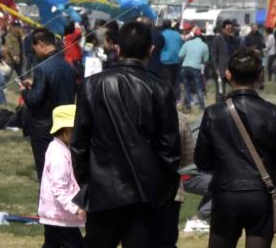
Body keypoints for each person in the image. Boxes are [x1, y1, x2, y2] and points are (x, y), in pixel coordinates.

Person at [71, 19, 181, 248]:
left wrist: (87, 180)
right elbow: (169, 149)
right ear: (151, 50)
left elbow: (79, 143)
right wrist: (164, 189)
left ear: (118, 48)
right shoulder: (160, 88)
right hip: (145, 191)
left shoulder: (92, 85)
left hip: (104, 189)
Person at [194, 50, 276, 248]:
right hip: (262, 193)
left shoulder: (213, 113)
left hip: (225, 193)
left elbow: (202, 160)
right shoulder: (274, 113)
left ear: (228, 75)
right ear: (260, 75)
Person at [24, 28, 80, 176]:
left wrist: (24, 91)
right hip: (65, 125)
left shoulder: (42, 68)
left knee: (45, 171)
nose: (34, 51)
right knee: (64, 168)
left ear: (41, 44)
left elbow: (34, 100)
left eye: (34, 47)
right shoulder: (68, 67)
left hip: (43, 127)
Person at [39, 103, 85, 248]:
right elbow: (59, 188)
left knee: (51, 244)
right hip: (60, 216)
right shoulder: (58, 155)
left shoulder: (60, 149)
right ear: (66, 130)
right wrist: (76, 208)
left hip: (54, 214)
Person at [180, 30, 210, 111]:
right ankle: (202, 107)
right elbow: (206, 60)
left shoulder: (187, 43)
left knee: (186, 87)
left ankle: (187, 106)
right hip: (196, 67)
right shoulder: (204, 46)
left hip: (185, 67)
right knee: (198, 87)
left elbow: (180, 55)